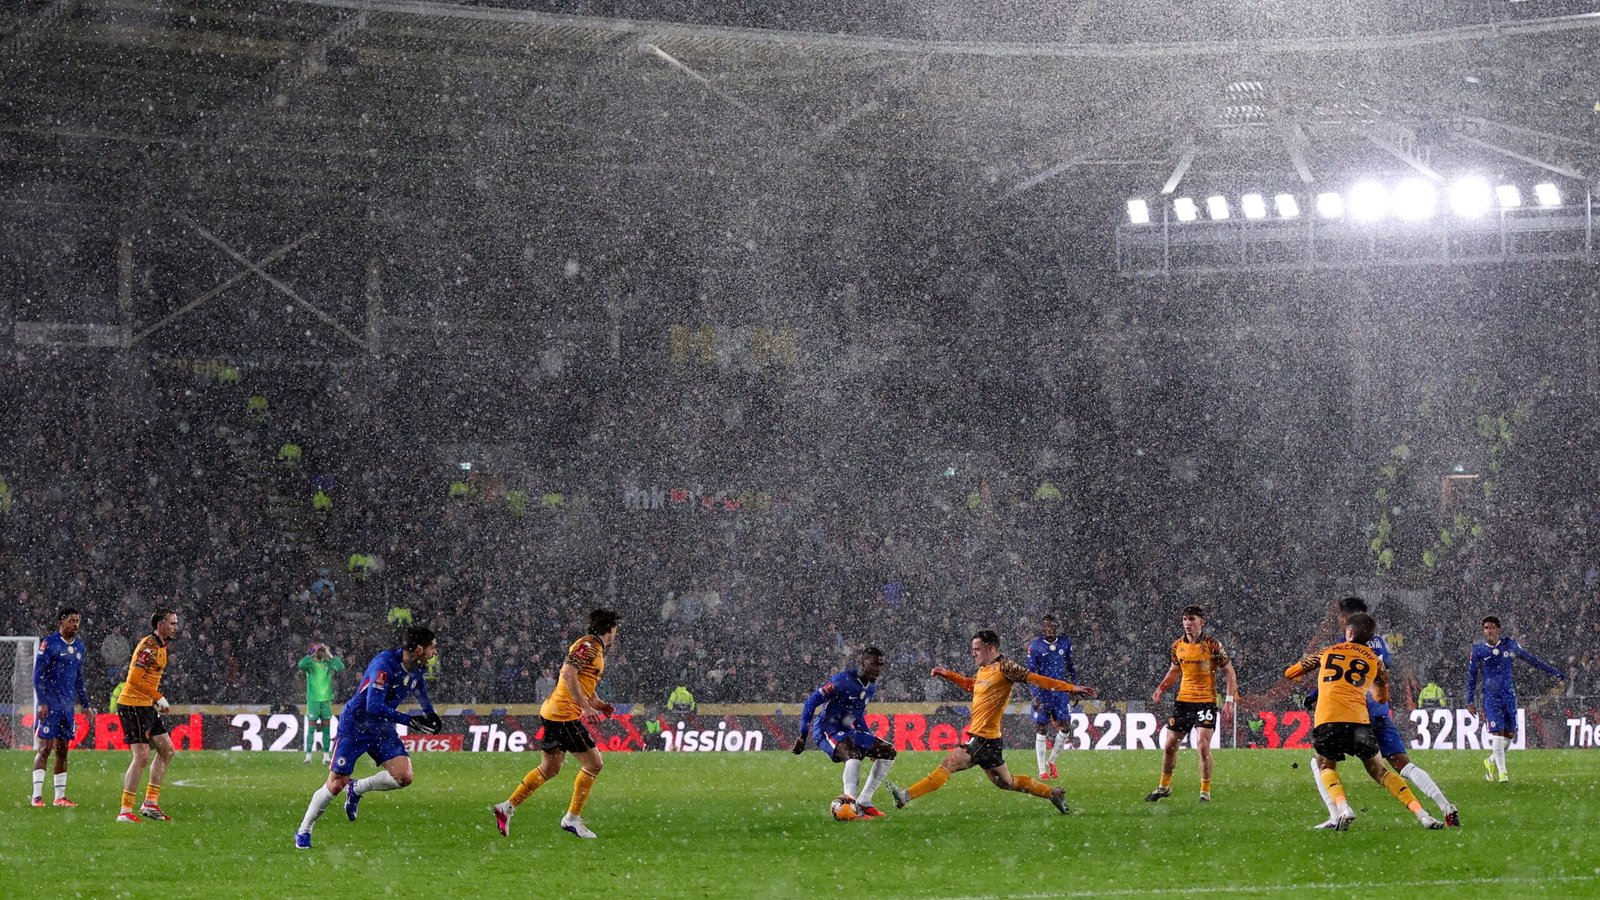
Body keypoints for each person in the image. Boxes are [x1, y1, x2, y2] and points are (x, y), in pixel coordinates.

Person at [890, 629, 1094, 814]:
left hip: (983, 738)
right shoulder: (983, 670)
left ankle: (905, 795)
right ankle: (1052, 793)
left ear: (991, 648)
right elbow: (973, 686)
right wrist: (948, 675)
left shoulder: (1005, 667)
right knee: (1008, 782)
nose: (973, 653)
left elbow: (1035, 678)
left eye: (977, 649)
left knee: (949, 763)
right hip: (990, 740)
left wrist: (1069, 687)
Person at [1306, 597, 1458, 828]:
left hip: (1354, 716)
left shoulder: (1343, 645)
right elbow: (1381, 671)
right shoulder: (1378, 643)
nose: (1338, 621)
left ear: (1347, 620)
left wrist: (1314, 694)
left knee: (1322, 763)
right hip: (1379, 713)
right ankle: (1445, 806)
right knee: (1403, 764)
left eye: (1340, 617)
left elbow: (1338, 678)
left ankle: (1337, 814)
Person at [293, 626, 442, 849]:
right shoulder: (384, 665)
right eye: (433, 647)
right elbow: (373, 706)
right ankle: (303, 830)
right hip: (356, 725)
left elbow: (418, 687)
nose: (435, 652)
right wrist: (409, 720)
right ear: (420, 649)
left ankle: (357, 788)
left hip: (382, 727)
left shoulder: (417, 668)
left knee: (404, 777)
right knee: (335, 785)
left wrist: (430, 713)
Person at [493, 609, 620, 840]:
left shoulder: (593, 648)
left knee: (549, 768)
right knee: (594, 764)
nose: (616, 635)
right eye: (615, 630)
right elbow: (568, 673)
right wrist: (584, 707)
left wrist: (598, 705)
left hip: (553, 713)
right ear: (609, 629)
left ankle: (506, 808)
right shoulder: (589, 646)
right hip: (564, 715)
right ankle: (571, 819)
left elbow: (583, 685)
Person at [792, 647, 900, 817]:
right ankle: (849, 808)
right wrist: (803, 734)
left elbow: (857, 716)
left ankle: (864, 801)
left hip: (847, 730)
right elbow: (811, 702)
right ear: (862, 662)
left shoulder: (871, 687)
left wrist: (869, 739)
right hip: (827, 729)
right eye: (874, 664)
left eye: (881, 665)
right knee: (853, 755)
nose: (878, 669)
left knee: (888, 751)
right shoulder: (841, 681)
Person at [1146, 605, 1238, 803]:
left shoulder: (1213, 645)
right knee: (1170, 745)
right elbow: (1174, 671)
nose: (1188, 623)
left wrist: (1229, 700)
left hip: (1206, 702)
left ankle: (1205, 791)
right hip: (1183, 702)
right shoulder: (1177, 646)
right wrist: (1161, 688)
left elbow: (1229, 671)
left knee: (1202, 746)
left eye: (1192, 619)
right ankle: (1164, 786)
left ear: (1201, 622)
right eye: (1185, 619)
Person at [1466, 616, 1565, 783]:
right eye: (1486, 628)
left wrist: (1554, 672)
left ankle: (1490, 761)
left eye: (1491, 627)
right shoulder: (1478, 650)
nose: (1488, 631)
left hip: (1509, 697)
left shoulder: (1509, 645)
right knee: (1497, 734)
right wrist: (1470, 700)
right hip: (1491, 698)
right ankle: (1503, 774)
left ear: (1499, 629)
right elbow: (1472, 676)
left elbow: (1532, 660)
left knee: (1509, 735)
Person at [117, 609, 180, 823]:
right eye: (172, 623)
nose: (175, 627)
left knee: (167, 750)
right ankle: (125, 811)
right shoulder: (149, 646)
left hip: (146, 705)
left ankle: (150, 804)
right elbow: (133, 679)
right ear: (160, 625)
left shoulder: (161, 647)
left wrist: (154, 700)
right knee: (142, 756)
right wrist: (157, 696)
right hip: (132, 705)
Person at [31, 607, 92, 808]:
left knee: (63, 750)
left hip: (66, 707)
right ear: (61, 622)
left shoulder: (80, 648)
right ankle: (37, 796)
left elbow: (79, 678)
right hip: (50, 706)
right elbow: (37, 675)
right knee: (45, 748)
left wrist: (85, 704)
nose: (75, 625)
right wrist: (41, 702)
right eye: (71, 621)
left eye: (77, 621)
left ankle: (59, 797)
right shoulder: (50, 644)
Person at [1027, 614, 1078, 780]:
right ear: (1043, 628)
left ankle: (1052, 761)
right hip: (1042, 693)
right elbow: (1031, 673)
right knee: (1041, 729)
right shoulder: (1035, 646)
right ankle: (1042, 770)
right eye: (1046, 627)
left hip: (1061, 693)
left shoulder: (1065, 643)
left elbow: (1071, 667)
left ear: (1056, 628)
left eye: (1051, 627)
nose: (1048, 630)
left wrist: (1075, 688)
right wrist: (1034, 695)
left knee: (1065, 727)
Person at [298, 643, 345, 764]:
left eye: (322, 650)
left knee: (326, 728)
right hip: (313, 700)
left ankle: (326, 756)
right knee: (311, 728)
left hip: (326, 700)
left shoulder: (328, 663)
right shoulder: (310, 664)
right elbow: (300, 664)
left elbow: (340, 667)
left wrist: (330, 654)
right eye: (319, 650)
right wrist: (310, 654)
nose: (321, 652)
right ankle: (308, 756)